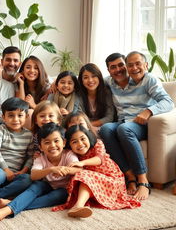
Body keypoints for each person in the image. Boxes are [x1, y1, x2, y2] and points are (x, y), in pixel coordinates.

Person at [99, 52, 174, 200]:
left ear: (145, 65)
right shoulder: (110, 82)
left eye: (121, 65)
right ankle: (130, 176)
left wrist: (148, 111)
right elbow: (86, 79)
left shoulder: (148, 80)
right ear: (109, 71)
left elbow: (168, 102)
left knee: (124, 129)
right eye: (113, 67)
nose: (119, 69)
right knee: (106, 129)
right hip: (123, 122)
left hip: (142, 125)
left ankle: (143, 181)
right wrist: (54, 84)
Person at [0, 122, 81, 223]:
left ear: (63, 143)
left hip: (62, 189)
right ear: (41, 147)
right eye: (47, 142)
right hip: (46, 185)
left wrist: (64, 169)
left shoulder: (68, 154)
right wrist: (51, 169)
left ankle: (10, 206)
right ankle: (8, 209)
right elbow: (33, 175)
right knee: (35, 187)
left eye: (56, 141)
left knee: (59, 196)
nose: (52, 145)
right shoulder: (40, 158)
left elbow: (79, 169)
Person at [52, 125, 141, 218]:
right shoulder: (72, 154)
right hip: (93, 182)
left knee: (83, 175)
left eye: (83, 139)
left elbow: (99, 159)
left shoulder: (97, 144)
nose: (80, 144)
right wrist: (62, 171)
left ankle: (78, 206)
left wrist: (82, 163)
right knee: (77, 179)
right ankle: (80, 206)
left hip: (111, 181)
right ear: (69, 145)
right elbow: (71, 166)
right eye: (74, 142)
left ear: (88, 137)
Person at [78, 63, 115, 133]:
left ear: (99, 77)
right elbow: (79, 116)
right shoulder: (78, 94)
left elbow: (109, 117)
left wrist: (89, 125)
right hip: (83, 128)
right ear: (81, 80)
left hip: (103, 127)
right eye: (85, 77)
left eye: (93, 76)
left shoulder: (106, 92)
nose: (90, 80)